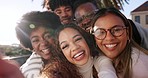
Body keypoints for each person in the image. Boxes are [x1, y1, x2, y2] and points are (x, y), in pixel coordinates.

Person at [90, 7, 148, 78]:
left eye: (117, 30)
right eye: (101, 32)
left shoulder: (140, 65)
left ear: (128, 33)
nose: (109, 38)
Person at [74, 0, 148, 50]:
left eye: (90, 15)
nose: (85, 21)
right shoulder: (84, 46)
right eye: (80, 20)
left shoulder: (132, 27)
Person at [15, 11, 62, 78]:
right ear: (30, 45)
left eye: (48, 36)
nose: (44, 43)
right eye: (36, 40)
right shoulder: (31, 73)